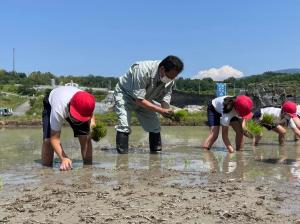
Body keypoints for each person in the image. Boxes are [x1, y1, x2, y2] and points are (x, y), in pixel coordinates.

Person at [113, 55, 184, 154]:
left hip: (145, 99)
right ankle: (122, 159)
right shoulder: (142, 70)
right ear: (162, 69)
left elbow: (165, 100)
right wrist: (160, 110)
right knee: (124, 125)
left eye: (174, 77)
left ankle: (156, 157)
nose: (172, 79)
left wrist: (168, 113)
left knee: (155, 127)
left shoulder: (170, 81)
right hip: (125, 95)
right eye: (170, 76)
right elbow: (139, 100)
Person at [42, 86, 96, 171]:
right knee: (48, 140)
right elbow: (54, 139)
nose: (77, 120)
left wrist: (93, 125)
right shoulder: (58, 108)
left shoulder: (87, 101)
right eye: (76, 117)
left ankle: (88, 168)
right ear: (70, 105)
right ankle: (46, 170)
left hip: (78, 104)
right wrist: (63, 158)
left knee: (86, 137)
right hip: (52, 100)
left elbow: (91, 113)